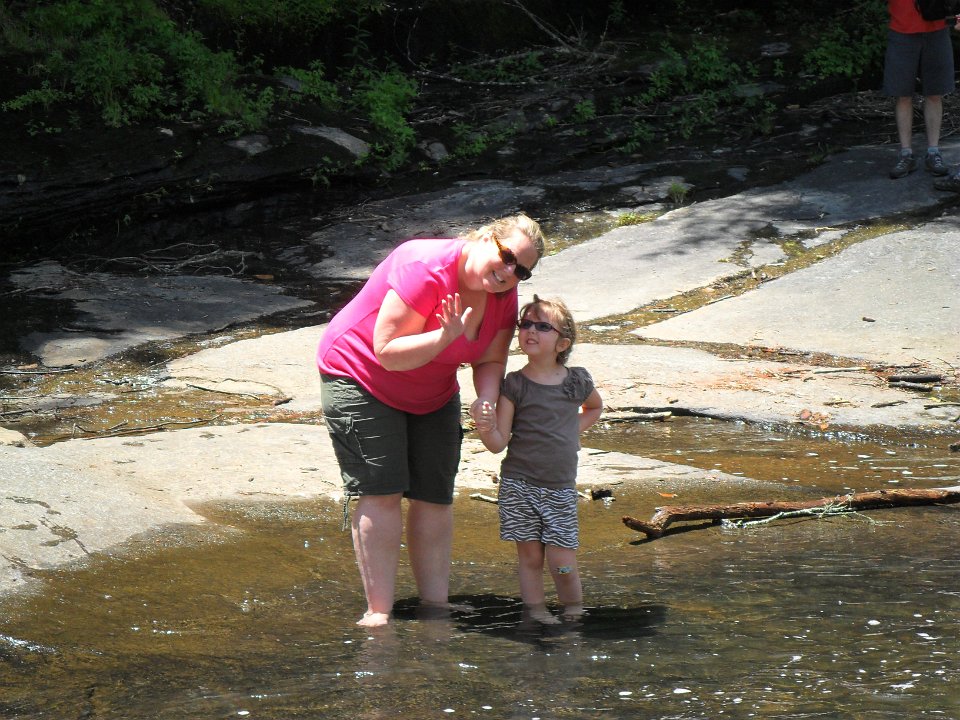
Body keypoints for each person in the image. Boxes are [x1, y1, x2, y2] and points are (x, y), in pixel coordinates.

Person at [317, 214, 545, 627]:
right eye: (508, 256)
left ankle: (435, 605)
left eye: (521, 271)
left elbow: (491, 359)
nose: (510, 272)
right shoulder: (423, 266)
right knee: (382, 489)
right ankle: (379, 611)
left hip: (432, 389)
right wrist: (444, 337)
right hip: (361, 375)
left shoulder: (502, 293)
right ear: (486, 238)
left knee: (434, 493)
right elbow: (387, 351)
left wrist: (487, 398)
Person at [472, 295, 603, 624]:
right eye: (526, 324)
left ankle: (573, 610)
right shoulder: (514, 385)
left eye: (543, 326)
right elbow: (497, 443)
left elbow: (595, 407)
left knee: (563, 562)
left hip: (560, 489)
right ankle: (536, 612)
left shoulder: (576, 381)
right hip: (519, 486)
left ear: (562, 343)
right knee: (530, 558)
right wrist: (485, 426)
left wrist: (570, 429)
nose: (531, 330)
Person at [884, 0, 955, 179]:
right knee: (903, 95)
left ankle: (933, 152)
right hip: (901, 30)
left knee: (935, 94)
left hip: (937, 29)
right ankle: (906, 154)